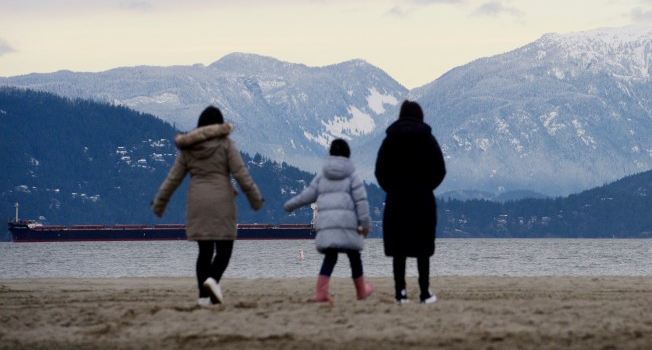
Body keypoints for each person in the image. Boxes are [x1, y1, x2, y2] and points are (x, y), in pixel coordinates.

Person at [151, 105, 264, 307]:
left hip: (197, 202)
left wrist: (160, 203)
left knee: (204, 251)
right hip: (222, 200)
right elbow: (241, 174)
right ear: (220, 125)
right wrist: (255, 199)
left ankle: (203, 298)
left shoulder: (188, 148)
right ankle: (213, 280)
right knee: (225, 247)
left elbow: (173, 179)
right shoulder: (226, 145)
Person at [284, 138, 374, 303]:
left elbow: (307, 196)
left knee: (330, 258)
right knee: (354, 257)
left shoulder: (322, 176)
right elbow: (361, 202)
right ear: (348, 155)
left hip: (327, 228)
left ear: (330, 154)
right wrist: (366, 225)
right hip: (348, 227)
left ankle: (321, 292)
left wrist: (290, 205)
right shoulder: (353, 177)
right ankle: (361, 291)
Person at [375, 100, 446, 304]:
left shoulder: (390, 139)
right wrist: (426, 187)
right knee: (422, 247)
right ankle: (424, 292)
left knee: (399, 248)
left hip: (397, 199)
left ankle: (401, 293)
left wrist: (392, 188)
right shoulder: (428, 139)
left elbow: (380, 170)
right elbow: (440, 169)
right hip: (422, 199)